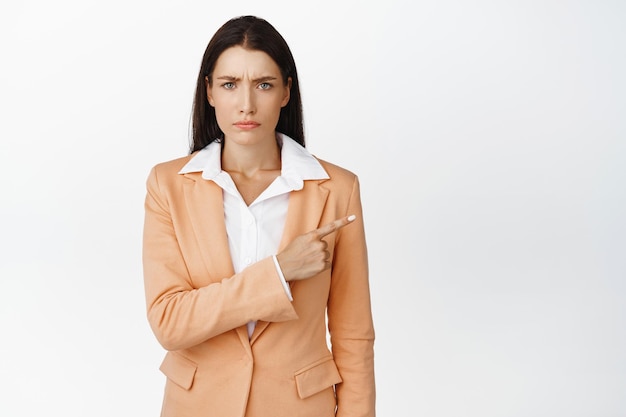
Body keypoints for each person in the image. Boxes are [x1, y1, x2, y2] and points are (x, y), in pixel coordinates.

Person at [142, 15, 375, 417]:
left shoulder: (337, 189)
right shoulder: (168, 185)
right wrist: (279, 270)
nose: (246, 104)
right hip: (197, 405)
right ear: (210, 92)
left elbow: (353, 336)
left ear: (286, 91)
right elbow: (169, 322)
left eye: (263, 84)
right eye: (230, 84)